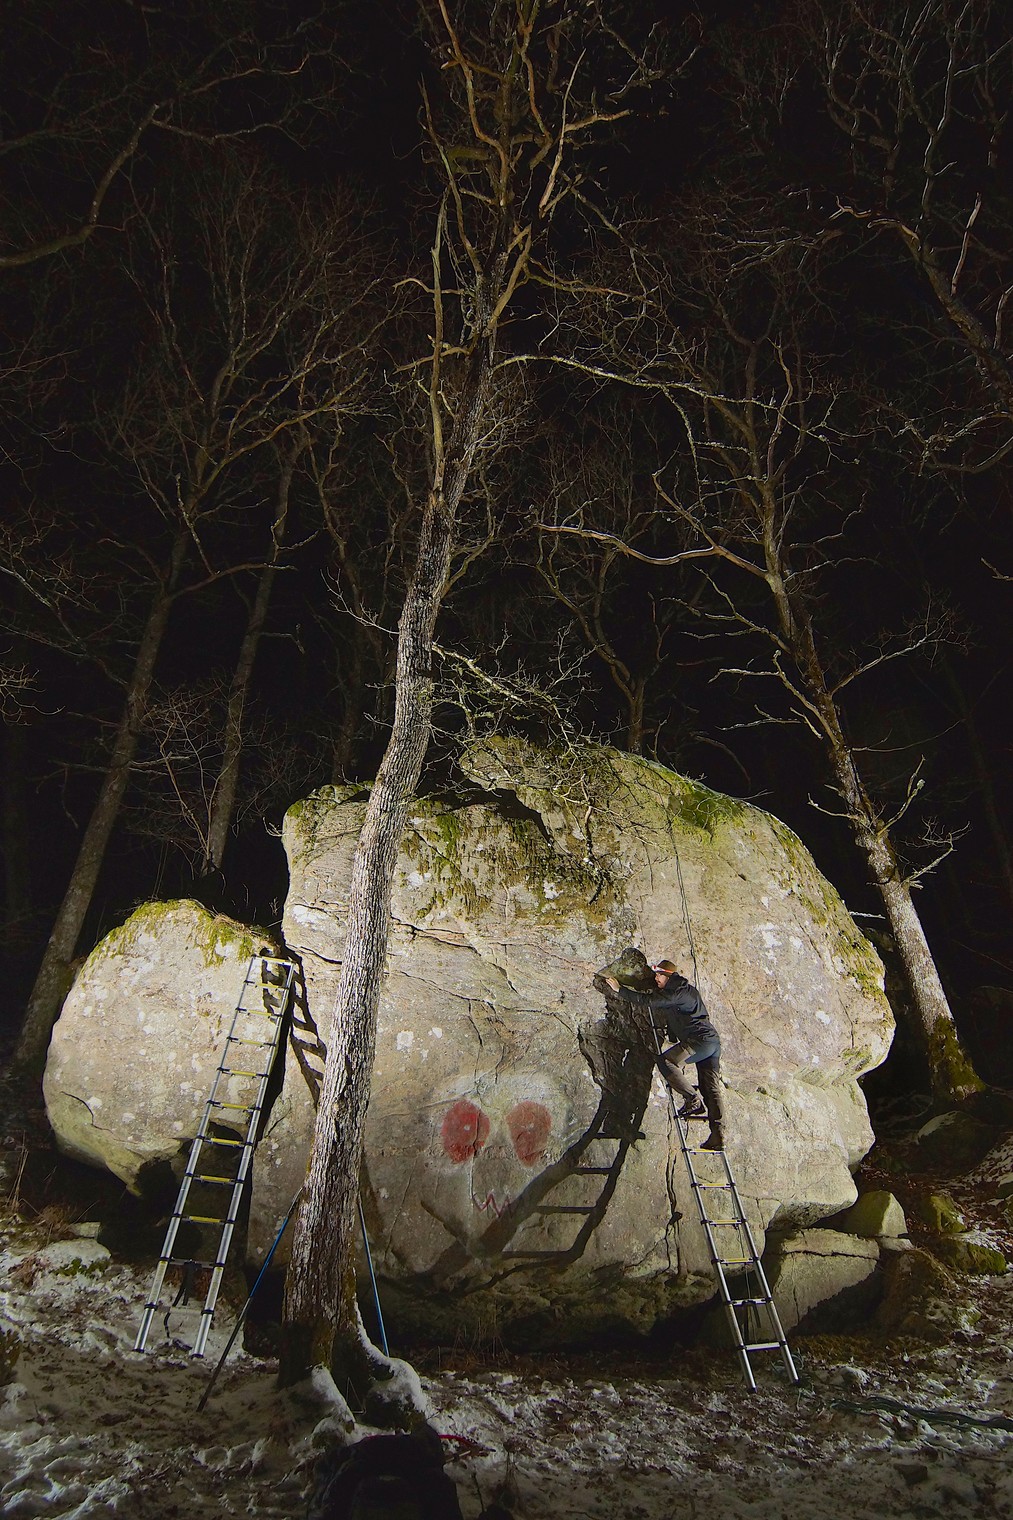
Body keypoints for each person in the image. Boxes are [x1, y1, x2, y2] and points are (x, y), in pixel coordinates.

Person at [598, 957, 725, 1150]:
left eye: (659, 975)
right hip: (711, 1043)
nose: (656, 978)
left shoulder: (678, 993)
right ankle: (718, 1135)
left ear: (668, 976)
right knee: (711, 1089)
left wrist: (620, 990)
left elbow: (649, 1001)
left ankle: (692, 1100)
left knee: (667, 1062)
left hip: (701, 1041)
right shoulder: (683, 990)